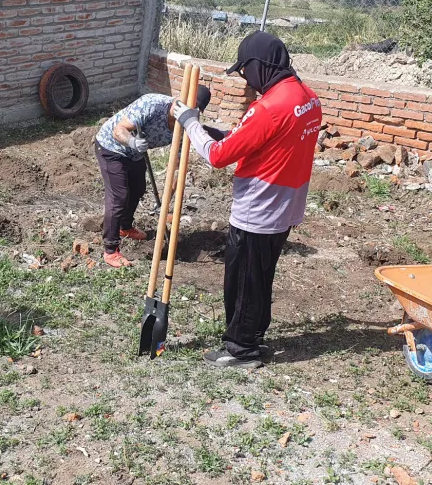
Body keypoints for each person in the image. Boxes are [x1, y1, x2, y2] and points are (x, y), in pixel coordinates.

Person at [172, 31, 322, 368]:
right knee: (260, 278)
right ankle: (253, 337)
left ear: (259, 66)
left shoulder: (269, 107)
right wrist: (223, 132)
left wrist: (190, 122)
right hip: (287, 207)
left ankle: (240, 349)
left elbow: (217, 156)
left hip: (259, 210)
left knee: (242, 281)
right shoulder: (307, 98)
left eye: (245, 72)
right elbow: (268, 140)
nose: (246, 80)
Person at [94, 87, 214, 268]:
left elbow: (178, 169)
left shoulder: (186, 128)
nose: (181, 109)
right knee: (119, 196)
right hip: (112, 147)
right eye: (181, 103)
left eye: (191, 108)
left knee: (138, 189)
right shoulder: (151, 104)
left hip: (135, 155)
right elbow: (119, 130)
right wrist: (132, 141)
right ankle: (110, 250)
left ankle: (125, 227)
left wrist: (167, 201)